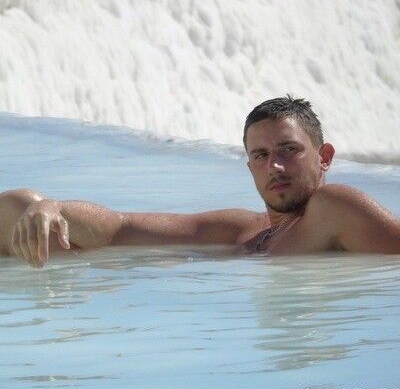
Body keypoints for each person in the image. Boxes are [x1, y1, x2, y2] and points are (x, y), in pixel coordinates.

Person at [10, 96, 400, 268]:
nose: (275, 167)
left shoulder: (333, 208)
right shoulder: (243, 229)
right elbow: (121, 228)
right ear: (249, 166)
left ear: (324, 157)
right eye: (260, 155)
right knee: (19, 207)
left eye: (289, 150)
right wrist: (53, 208)